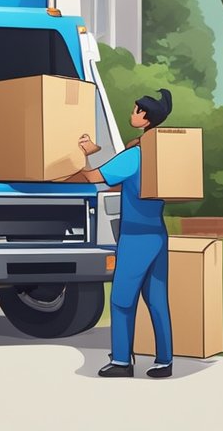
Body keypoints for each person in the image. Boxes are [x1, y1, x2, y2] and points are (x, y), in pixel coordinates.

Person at [69, 88, 174, 379]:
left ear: (144, 116)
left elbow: (93, 178)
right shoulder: (159, 155)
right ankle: (164, 361)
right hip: (157, 233)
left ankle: (121, 361)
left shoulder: (134, 155)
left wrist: (87, 153)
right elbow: (123, 186)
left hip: (135, 237)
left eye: (134, 110)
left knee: (121, 300)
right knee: (156, 300)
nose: (131, 113)